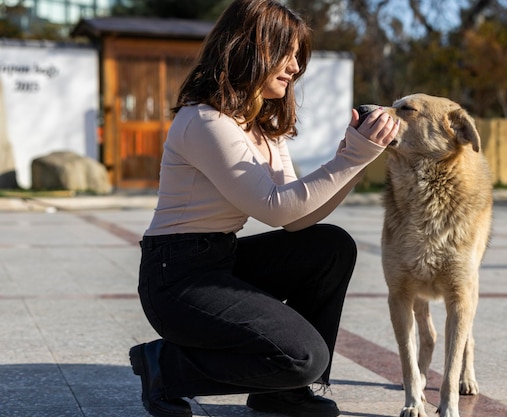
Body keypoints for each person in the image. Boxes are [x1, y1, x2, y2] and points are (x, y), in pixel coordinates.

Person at [128, 1, 399, 417]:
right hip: (176, 279)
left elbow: (298, 220)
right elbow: (275, 210)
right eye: (286, 53)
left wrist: (353, 159)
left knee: (330, 247)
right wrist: (351, 160)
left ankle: (282, 393)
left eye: (297, 57)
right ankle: (165, 367)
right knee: (303, 356)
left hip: (222, 260)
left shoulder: (262, 129)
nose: (294, 66)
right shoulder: (203, 120)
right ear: (250, 48)